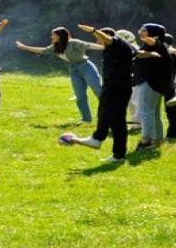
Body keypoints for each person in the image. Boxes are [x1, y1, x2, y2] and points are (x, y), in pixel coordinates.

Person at [64, 25, 151, 162]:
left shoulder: (117, 43)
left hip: (116, 86)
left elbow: (108, 39)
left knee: (104, 111)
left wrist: (93, 31)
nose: (98, 43)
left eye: (99, 39)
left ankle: (97, 138)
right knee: (117, 122)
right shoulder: (123, 48)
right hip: (120, 85)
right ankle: (119, 155)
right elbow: (140, 53)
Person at [16, 27, 104, 123]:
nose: (51, 37)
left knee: (98, 90)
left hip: (86, 67)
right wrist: (25, 47)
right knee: (80, 95)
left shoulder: (73, 42)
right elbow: (43, 50)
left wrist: (106, 46)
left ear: (59, 36)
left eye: (53, 35)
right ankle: (86, 119)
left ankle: (111, 113)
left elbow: (88, 45)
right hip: (73, 71)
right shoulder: (55, 46)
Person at [132, 23, 174, 150]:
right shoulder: (151, 46)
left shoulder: (158, 45)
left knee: (146, 113)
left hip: (150, 84)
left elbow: (154, 42)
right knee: (154, 113)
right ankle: (157, 140)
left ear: (152, 34)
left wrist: (151, 38)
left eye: (144, 30)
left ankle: (146, 141)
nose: (140, 32)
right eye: (140, 29)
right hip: (155, 84)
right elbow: (140, 53)